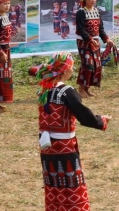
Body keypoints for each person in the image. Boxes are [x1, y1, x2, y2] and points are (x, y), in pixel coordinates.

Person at [33, 52, 111, 211]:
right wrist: (101, 120)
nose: (73, 70)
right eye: (71, 67)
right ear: (65, 70)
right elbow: (84, 116)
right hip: (64, 147)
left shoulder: (44, 90)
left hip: (47, 146)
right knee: (70, 183)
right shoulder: (67, 91)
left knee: (53, 182)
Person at [75, 0, 113, 98]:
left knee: (96, 65)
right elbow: (81, 29)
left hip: (95, 41)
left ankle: (87, 88)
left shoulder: (97, 11)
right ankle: (81, 88)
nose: (93, 0)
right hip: (84, 41)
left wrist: (106, 39)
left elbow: (100, 29)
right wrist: (90, 39)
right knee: (87, 64)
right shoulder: (81, 12)